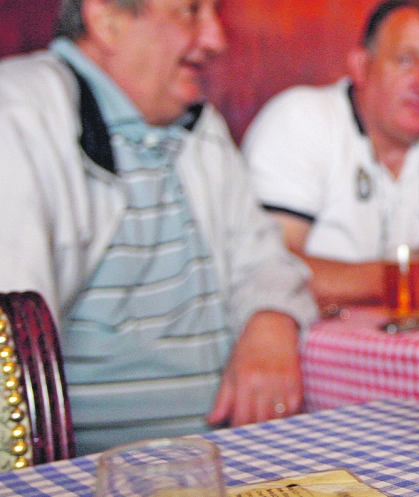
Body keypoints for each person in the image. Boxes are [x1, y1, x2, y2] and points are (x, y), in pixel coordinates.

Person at [0, 0, 318, 454]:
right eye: (190, 11)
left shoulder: (197, 125)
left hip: (222, 457)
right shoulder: (18, 113)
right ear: (107, 19)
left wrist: (270, 320)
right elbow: (9, 346)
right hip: (86, 470)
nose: (216, 39)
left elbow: (263, 258)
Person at [242, 0, 419, 315]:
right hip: (311, 340)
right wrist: (411, 273)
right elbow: (267, 269)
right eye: (406, 60)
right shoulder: (299, 120)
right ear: (360, 66)